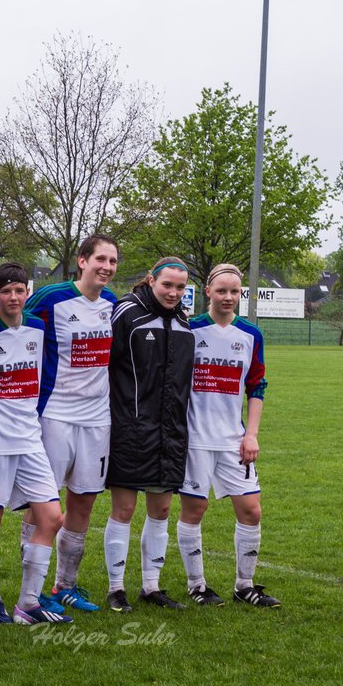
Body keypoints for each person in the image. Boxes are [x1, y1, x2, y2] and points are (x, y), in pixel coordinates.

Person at [21, 234, 120, 614]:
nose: (106, 267)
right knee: (44, 505)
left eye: (112, 261)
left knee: (84, 500)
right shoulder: (51, 298)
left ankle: (66, 585)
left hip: (98, 419)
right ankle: (34, 589)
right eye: (100, 259)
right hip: (55, 414)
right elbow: (16, 320)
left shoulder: (112, 304)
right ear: (82, 260)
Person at [0, 263, 72, 626]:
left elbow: (46, 375)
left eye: (19, 290)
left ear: (27, 292)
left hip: (31, 439)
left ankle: (27, 604)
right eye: (6, 291)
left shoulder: (38, 327)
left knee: (52, 517)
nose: (13, 297)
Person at [176, 264, 280, 607]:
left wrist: (251, 435)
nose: (228, 297)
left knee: (251, 511)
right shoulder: (189, 329)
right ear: (208, 291)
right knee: (194, 510)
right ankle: (197, 585)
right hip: (194, 441)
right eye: (222, 290)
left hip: (233, 440)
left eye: (235, 291)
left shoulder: (251, 334)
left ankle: (244, 585)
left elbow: (257, 387)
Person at [103, 257, 195, 612]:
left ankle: (151, 587)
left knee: (161, 509)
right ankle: (115, 589)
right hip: (130, 428)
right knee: (124, 508)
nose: (173, 293)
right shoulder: (126, 313)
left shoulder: (184, 322)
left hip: (171, 432)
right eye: (167, 285)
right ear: (151, 280)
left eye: (180, 287)